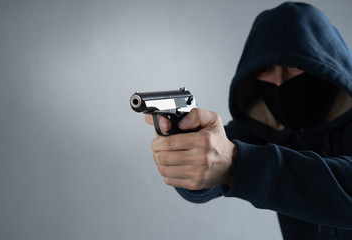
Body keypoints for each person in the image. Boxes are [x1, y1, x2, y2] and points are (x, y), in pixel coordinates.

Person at [145, 2, 352, 239]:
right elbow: (219, 153)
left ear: (326, 67)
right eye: (265, 69)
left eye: (294, 66)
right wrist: (191, 153)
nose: (279, 82)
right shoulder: (266, 128)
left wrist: (238, 164)